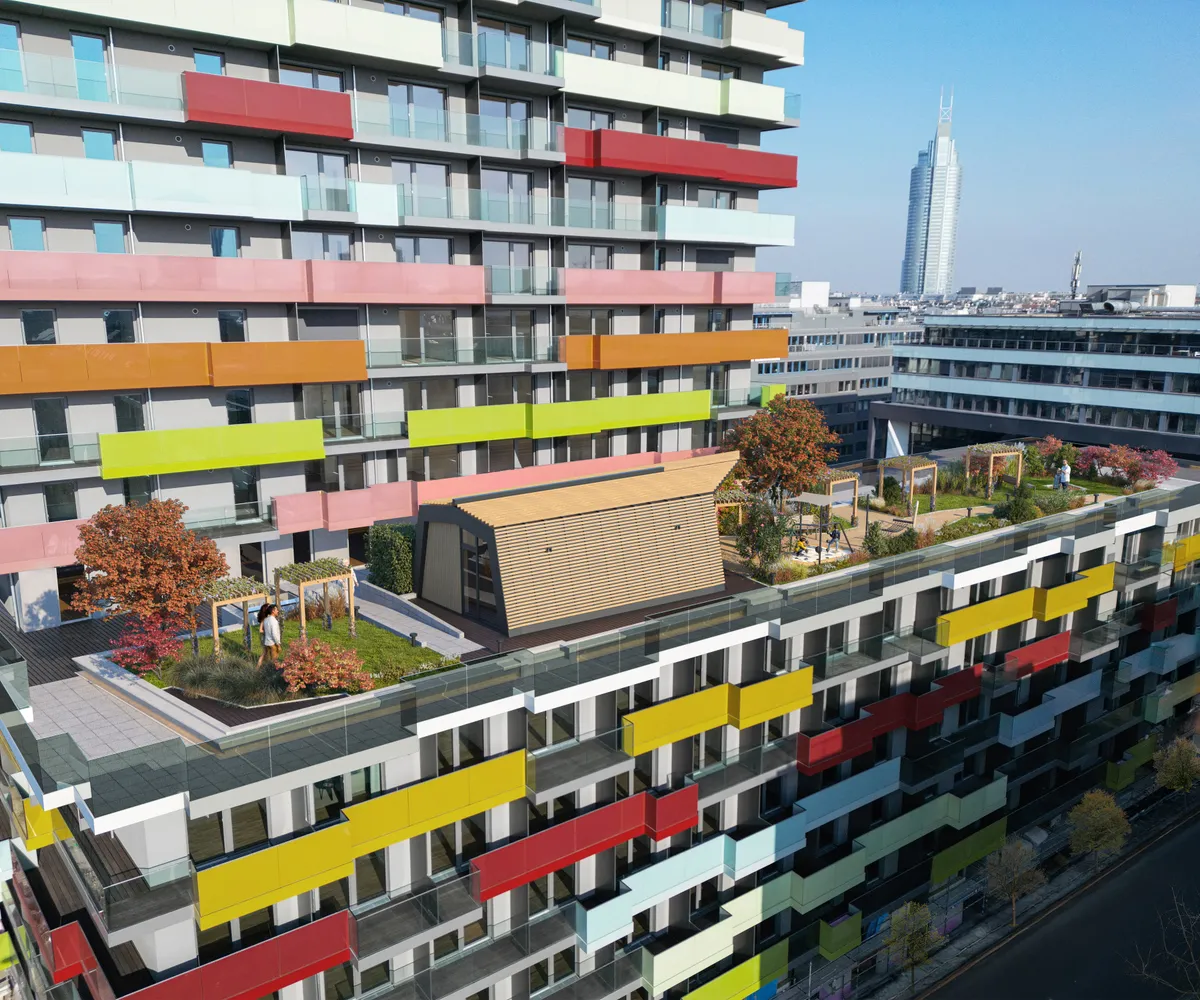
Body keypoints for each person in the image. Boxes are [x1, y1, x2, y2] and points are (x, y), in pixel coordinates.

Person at [257, 603, 281, 668]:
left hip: (267, 641)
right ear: (272, 611)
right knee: (273, 660)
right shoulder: (272, 621)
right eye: (276, 610)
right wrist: (278, 644)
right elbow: (274, 633)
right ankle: (261, 668)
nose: (278, 611)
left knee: (267, 656)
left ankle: (263, 668)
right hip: (271, 642)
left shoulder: (266, 619)